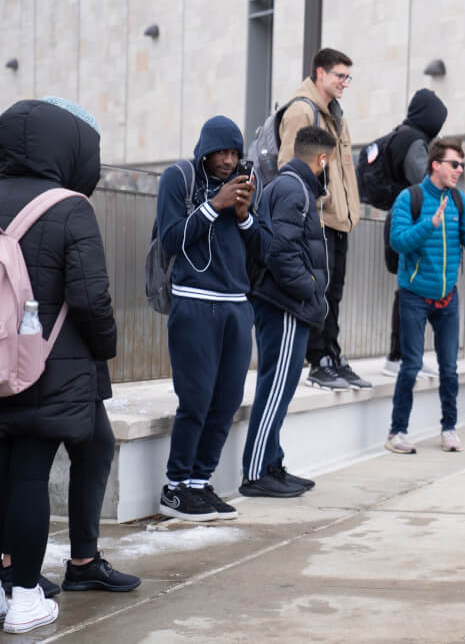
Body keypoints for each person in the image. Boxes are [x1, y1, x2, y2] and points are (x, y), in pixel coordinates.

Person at [0, 98, 138, 634]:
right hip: (47, 364)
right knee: (32, 474)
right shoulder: (69, 206)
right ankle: (28, 597)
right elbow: (89, 298)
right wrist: (104, 346)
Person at [156, 115, 265, 522]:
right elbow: (170, 240)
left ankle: (200, 484)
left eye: (235, 153)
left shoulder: (247, 186)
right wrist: (213, 205)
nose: (228, 160)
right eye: (221, 151)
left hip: (237, 304)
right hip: (194, 302)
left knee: (227, 400)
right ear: (206, 150)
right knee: (196, 398)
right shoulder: (177, 178)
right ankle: (175, 487)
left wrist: (243, 215)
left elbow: (265, 247)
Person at [384, 138, 465, 454]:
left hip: (448, 297)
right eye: (454, 164)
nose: (459, 170)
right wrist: (428, 225)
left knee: (449, 368)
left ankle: (449, 428)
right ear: (436, 165)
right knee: (411, 365)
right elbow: (399, 241)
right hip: (414, 296)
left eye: (462, 165)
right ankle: (397, 431)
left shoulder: (459, 200)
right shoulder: (411, 198)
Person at [239, 127, 334, 498]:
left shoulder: (293, 186)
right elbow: (281, 252)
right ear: (322, 159)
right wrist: (309, 288)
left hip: (286, 303)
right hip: (285, 305)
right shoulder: (294, 189)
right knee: (276, 388)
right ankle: (257, 472)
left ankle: (272, 463)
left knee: (280, 386)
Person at [278, 48, 370, 392]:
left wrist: (351, 211)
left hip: (339, 221)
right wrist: (315, 206)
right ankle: (318, 360)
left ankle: (332, 353)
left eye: (348, 76)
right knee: (319, 291)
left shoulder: (335, 114)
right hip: (317, 218)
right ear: (320, 74)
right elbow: (290, 167)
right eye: (339, 76)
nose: (345, 82)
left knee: (334, 292)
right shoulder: (302, 111)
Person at [379, 88, 449, 378]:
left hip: (400, 219)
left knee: (409, 289)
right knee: (410, 291)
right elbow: (426, 182)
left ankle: (407, 355)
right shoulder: (414, 142)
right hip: (411, 222)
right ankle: (400, 356)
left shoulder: (401, 134)